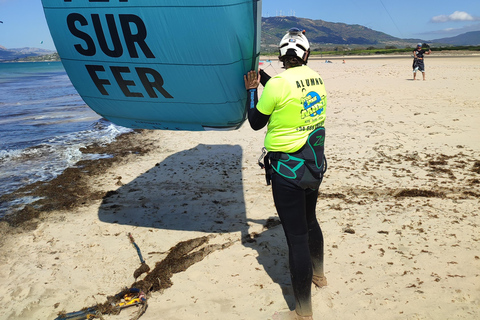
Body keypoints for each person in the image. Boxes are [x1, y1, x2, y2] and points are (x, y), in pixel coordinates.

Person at [244, 28, 328, 320]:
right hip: (313, 164)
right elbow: (286, 87)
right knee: (310, 220)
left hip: (287, 171)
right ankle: (319, 276)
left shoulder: (278, 84)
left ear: (281, 55)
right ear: (306, 55)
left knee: (296, 239)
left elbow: (255, 121)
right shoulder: (317, 78)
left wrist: (252, 89)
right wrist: (265, 79)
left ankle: (303, 312)